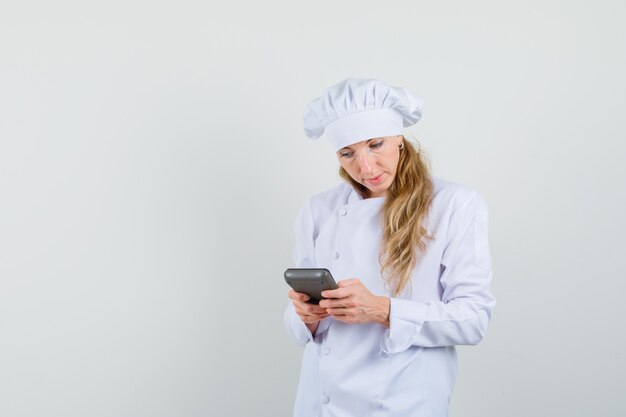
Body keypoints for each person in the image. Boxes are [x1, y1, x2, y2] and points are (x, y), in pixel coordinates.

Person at [283, 78, 496, 417]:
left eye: (375, 144)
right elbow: (296, 330)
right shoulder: (318, 210)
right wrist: (305, 316)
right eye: (347, 153)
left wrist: (382, 310)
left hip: (402, 403)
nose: (365, 167)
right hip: (319, 405)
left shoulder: (454, 205)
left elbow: (473, 318)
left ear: (399, 139)